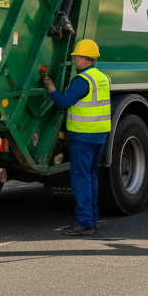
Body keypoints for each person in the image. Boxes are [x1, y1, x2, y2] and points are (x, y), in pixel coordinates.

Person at [41, 39, 110, 236]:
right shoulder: (102, 77)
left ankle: (84, 222)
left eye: (76, 57)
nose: (75, 61)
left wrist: (49, 85)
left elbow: (63, 102)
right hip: (99, 135)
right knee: (91, 176)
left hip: (83, 136)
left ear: (84, 58)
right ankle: (93, 219)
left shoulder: (82, 81)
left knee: (81, 178)